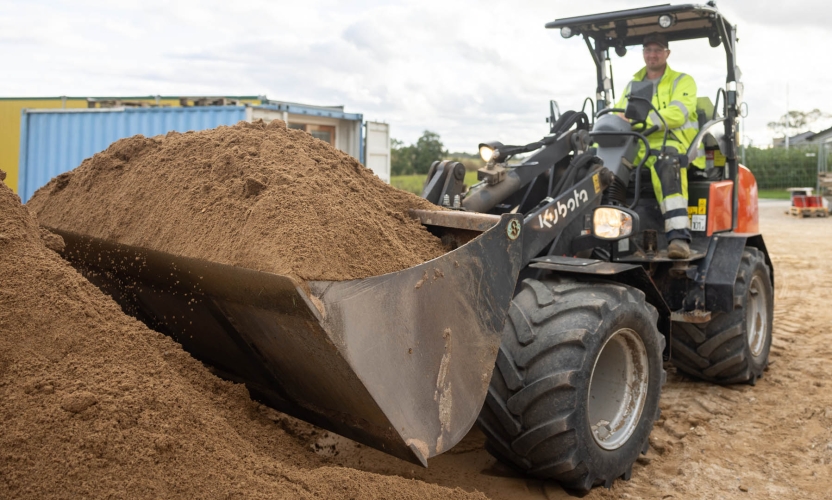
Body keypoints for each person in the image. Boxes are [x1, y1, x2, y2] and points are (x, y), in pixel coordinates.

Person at [615, 33, 706, 259]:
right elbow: (619, 112)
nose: (652, 54)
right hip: (639, 147)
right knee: (606, 169)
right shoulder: (633, 84)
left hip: (673, 143)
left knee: (666, 162)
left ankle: (678, 237)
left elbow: (677, 114)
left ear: (667, 53)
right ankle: (616, 235)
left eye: (657, 50)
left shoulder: (682, 81)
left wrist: (639, 121)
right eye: (648, 50)